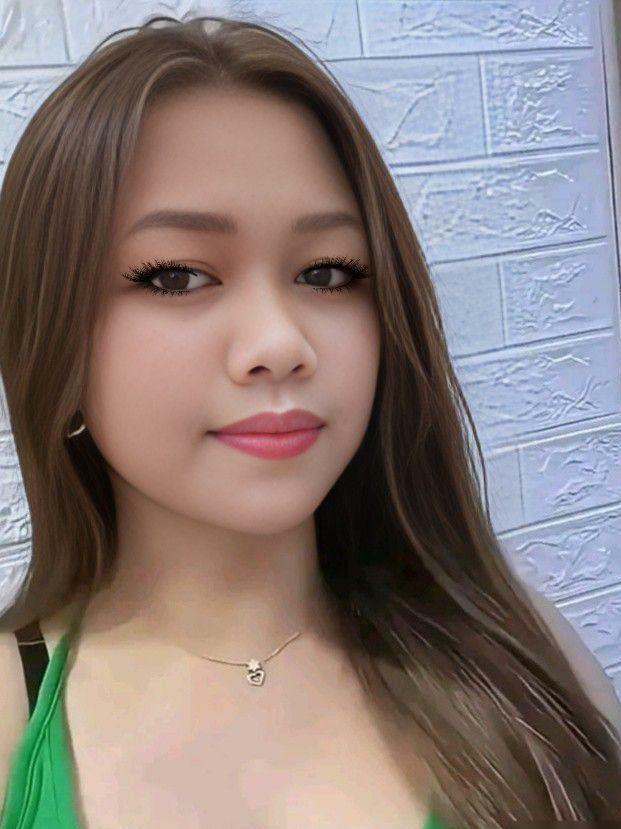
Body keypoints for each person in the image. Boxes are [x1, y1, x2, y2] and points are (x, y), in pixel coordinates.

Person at [0, 14, 619, 829]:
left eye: (327, 272)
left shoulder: (518, 658)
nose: (280, 343)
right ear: (51, 333)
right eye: (176, 276)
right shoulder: (11, 711)